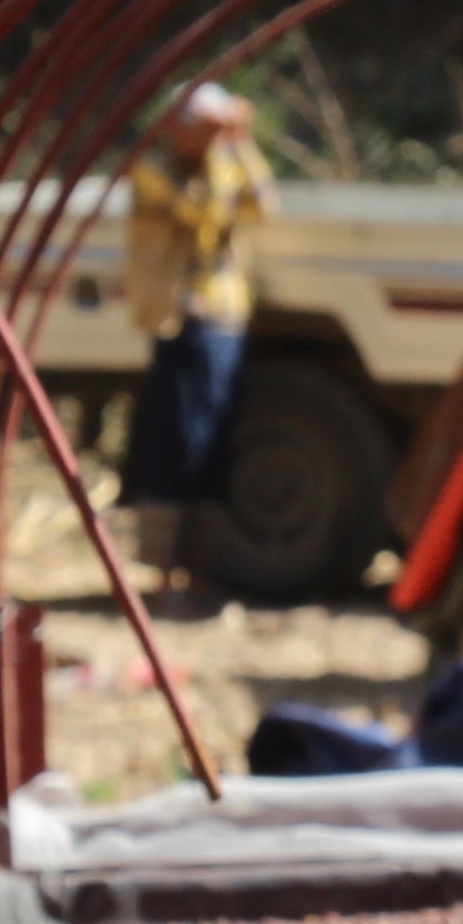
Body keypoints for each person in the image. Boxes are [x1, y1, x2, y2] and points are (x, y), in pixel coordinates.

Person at [117, 84, 271, 602]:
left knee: (214, 440)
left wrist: (240, 143)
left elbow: (261, 204)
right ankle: (165, 571)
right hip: (179, 319)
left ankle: (201, 568)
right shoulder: (153, 169)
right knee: (176, 440)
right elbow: (205, 213)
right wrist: (224, 150)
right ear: (174, 126)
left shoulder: (223, 160)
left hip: (225, 317)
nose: (208, 136)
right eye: (202, 126)